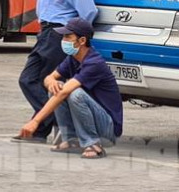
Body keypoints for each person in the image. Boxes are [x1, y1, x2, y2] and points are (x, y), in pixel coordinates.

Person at [13, 0, 97, 144]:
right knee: (27, 79)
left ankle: (42, 128)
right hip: (44, 31)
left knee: (46, 81)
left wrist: (72, 35)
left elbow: (88, 12)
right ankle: (49, 122)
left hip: (59, 34)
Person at [18, 18, 123, 159]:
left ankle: (93, 144)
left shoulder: (94, 63)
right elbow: (49, 78)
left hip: (107, 129)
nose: (64, 40)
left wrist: (35, 121)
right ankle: (71, 140)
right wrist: (51, 83)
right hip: (93, 120)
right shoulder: (72, 58)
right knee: (56, 88)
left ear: (82, 41)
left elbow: (65, 92)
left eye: (68, 36)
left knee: (74, 93)